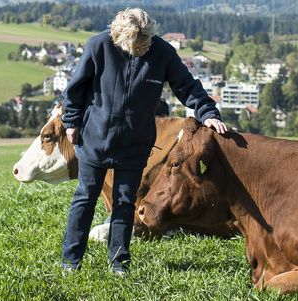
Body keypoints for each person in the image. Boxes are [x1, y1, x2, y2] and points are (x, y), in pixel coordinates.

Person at [60, 7, 228, 274]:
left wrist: (207, 113)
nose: (143, 51)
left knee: (125, 203)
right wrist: (71, 121)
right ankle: (70, 263)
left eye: (146, 43)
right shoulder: (98, 46)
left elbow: (187, 86)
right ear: (120, 41)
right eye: (136, 47)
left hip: (135, 143)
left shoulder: (162, 53)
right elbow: (75, 89)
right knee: (85, 198)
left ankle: (119, 264)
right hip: (95, 139)